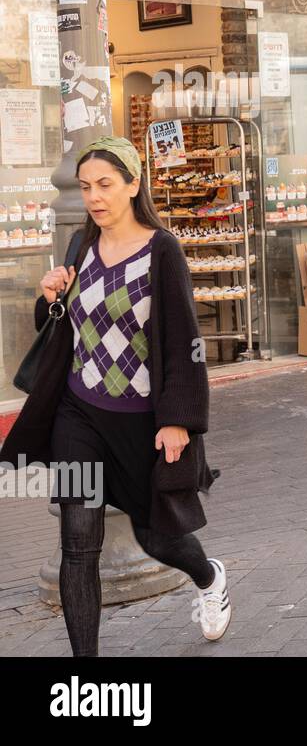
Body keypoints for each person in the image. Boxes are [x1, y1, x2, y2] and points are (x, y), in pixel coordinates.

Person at [0, 136, 227, 657]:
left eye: (105, 185)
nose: (95, 197)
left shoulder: (161, 249)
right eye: (85, 188)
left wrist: (180, 419)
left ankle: (208, 576)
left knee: (157, 539)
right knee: (78, 546)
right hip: (78, 415)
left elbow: (184, 341)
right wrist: (50, 298)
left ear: (133, 184)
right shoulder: (80, 246)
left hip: (141, 420)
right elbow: (68, 330)